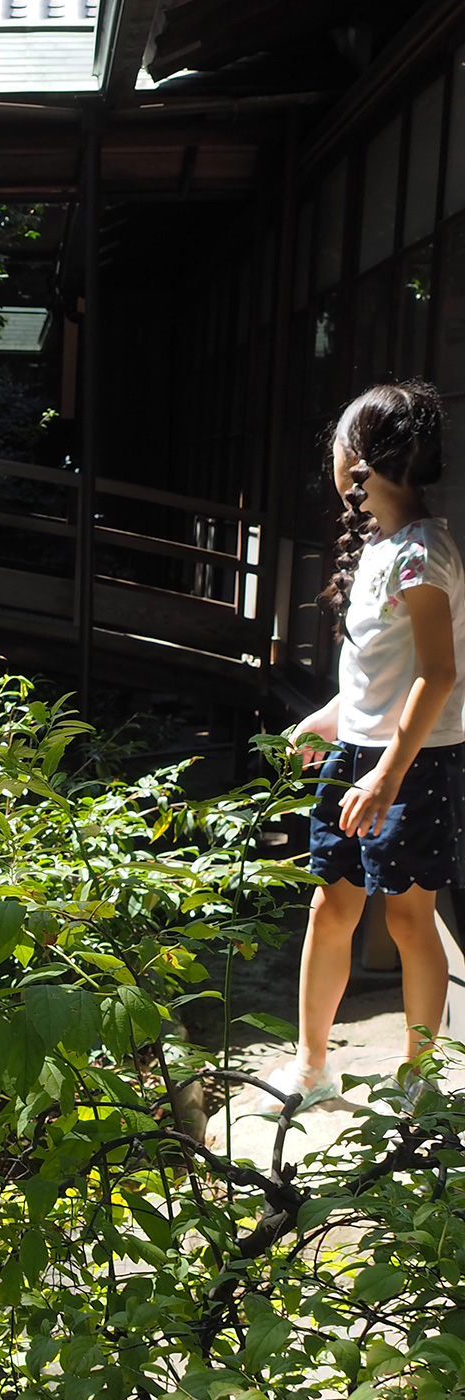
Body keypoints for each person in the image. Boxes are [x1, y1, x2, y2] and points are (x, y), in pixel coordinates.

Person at [267, 381, 464, 1111]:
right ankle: (311, 1066)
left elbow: (439, 675)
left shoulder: (422, 553)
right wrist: (328, 719)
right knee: (330, 908)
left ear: (360, 461)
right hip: (361, 756)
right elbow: (381, 673)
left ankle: (418, 1081)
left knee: (410, 919)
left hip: (409, 764)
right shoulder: (384, 547)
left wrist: (385, 775)